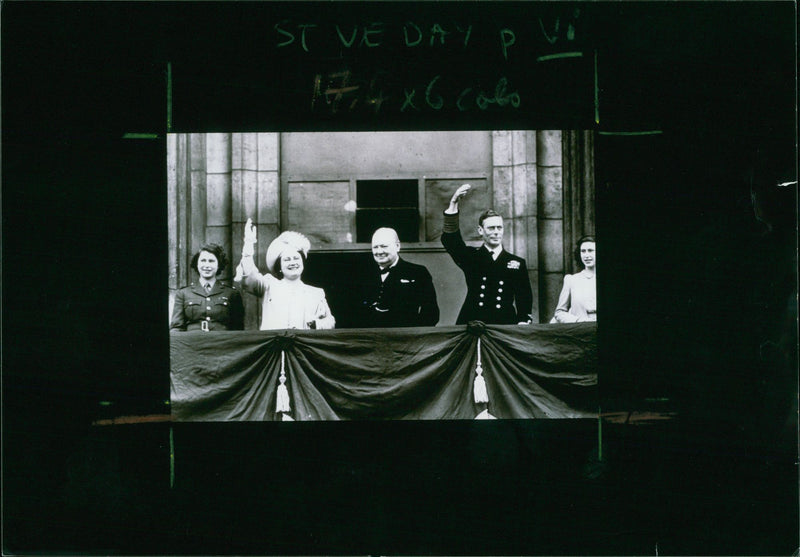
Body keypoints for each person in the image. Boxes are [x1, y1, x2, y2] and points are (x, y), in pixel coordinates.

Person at [442, 183, 533, 325]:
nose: (496, 232)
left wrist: (523, 320)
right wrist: (453, 204)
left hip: (505, 324)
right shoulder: (471, 257)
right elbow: (451, 242)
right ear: (480, 230)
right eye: (491, 228)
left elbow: (524, 296)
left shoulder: (516, 262)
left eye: (499, 228)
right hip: (473, 323)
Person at [237, 218, 335, 330]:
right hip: (274, 345)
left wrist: (316, 324)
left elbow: (330, 321)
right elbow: (249, 277)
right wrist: (248, 247)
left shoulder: (316, 293)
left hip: (302, 346)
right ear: (280, 267)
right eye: (287, 260)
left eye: (296, 258)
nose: (292, 263)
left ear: (302, 262)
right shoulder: (269, 285)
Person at [359, 227, 440, 327]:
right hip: (370, 339)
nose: (379, 251)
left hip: (405, 339)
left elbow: (431, 313)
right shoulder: (362, 274)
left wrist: (414, 336)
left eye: (384, 246)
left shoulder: (417, 272)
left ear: (397, 246)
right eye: (375, 247)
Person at [170, 243, 244, 331]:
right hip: (193, 343)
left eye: (211, 261)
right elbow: (176, 328)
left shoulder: (232, 294)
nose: (207, 265)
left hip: (222, 343)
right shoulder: (183, 293)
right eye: (203, 260)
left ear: (219, 265)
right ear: (197, 264)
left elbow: (238, 330)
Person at [551, 236, 597, 323]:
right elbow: (559, 312)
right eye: (583, 251)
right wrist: (578, 320)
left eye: (590, 251)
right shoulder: (571, 280)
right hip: (580, 331)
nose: (586, 255)